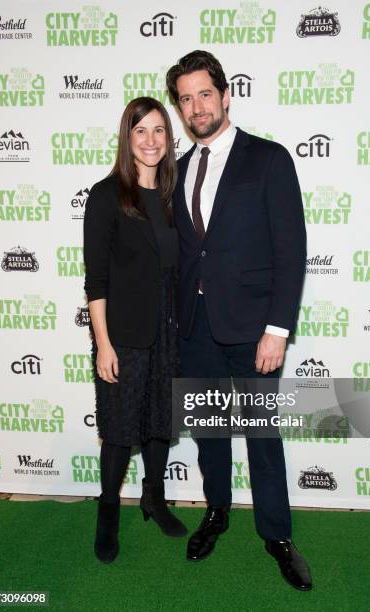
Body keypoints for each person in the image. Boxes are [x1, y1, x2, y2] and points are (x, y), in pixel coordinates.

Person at [166, 51, 312, 591]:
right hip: (194, 328)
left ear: (226, 96)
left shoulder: (268, 159)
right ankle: (217, 512)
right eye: (185, 98)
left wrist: (277, 329)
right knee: (209, 433)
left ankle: (276, 536)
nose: (196, 106)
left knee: (261, 435)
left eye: (205, 93)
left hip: (254, 330)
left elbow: (291, 248)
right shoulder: (176, 172)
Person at [83, 97, 187, 564]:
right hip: (123, 333)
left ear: (169, 138)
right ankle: (108, 513)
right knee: (122, 431)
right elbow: (97, 280)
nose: (151, 140)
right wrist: (103, 343)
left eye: (159, 131)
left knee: (159, 423)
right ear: (128, 139)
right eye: (140, 131)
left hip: (169, 330)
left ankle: (154, 497)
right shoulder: (107, 195)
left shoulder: (174, 194)